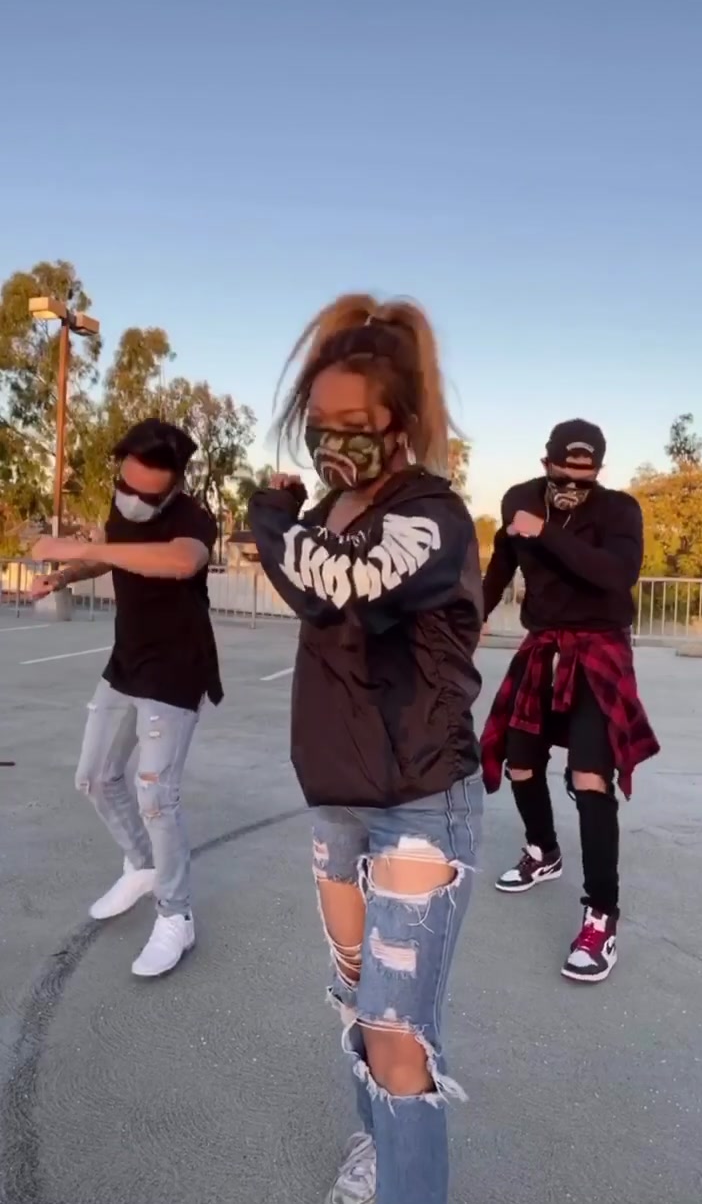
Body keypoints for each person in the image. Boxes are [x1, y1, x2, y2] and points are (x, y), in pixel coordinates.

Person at [248, 295, 483, 1204]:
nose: (330, 439)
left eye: (353, 421)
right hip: (337, 796)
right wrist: (297, 518)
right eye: (319, 420)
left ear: (402, 423)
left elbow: (335, 587)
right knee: (355, 1001)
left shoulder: (430, 517)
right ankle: (377, 1147)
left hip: (419, 801)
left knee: (395, 1032)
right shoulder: (330, 510)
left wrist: (271, 516)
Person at [30, 418, 223, 977]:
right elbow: (111, 555)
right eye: (126, 486)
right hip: (126, 662)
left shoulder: (193, 519)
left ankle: (176, 916)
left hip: (176, 668)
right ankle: (141, 866)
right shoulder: (122, 509)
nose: (133, 501)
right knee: (94, 778)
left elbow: (180, 561)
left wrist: (73, 543)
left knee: (156, 797)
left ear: (175, 486)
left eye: (148, 495)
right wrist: (66, 573)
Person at [480, 419, 660, 983]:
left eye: (586, 476)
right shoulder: (518, 499)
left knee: (590, 778)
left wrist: (546, 533)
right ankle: (543, 850)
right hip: (543, 644)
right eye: (564, 474)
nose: (574, 485)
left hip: (600, 647)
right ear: (546, 464)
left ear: (598, 471)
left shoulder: (619, 510)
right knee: (520, 760)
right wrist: (471, 617)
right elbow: (500, 566)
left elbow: (617, 574)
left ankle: (601, 916)